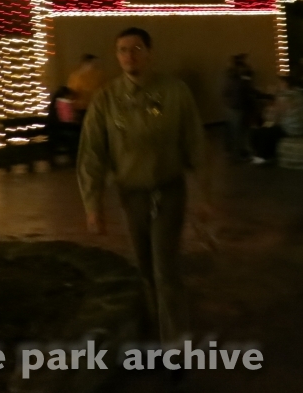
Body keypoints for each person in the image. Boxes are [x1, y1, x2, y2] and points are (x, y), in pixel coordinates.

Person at [77, 27, 210, 351]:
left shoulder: (174, 92)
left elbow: (194, 143)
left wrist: (203, 195)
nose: (129, 55)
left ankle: (176, 345)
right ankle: (155, 327)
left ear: (149, 53)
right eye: (122, 50)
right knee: (145, 267)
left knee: (165, 267)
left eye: (136, 48)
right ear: (116, 55)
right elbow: (92, 153)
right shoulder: (106, 100)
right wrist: (92, 205)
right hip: (130, 194)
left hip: (168, 190)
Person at [250, 76, 303, 163]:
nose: (279, 85)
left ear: (285, 84)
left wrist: (270, 105)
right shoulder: (299, 94)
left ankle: (262, 156)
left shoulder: (285, 96)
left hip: (290, 128)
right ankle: (265, 155)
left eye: (280, 83)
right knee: (267, 131)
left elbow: (275, 115)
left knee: (262, 132)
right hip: (300, 127)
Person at [221, 54, 255, 160]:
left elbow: (225, 92)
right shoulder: (241, 75)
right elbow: (247, 88)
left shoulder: (231, 75)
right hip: (239, 105)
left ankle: (234, 152)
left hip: (234, 105)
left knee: (234, 130)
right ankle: (238, 153)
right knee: (239, 130)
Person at [65, 54, 109, 122]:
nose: (93, 66)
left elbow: (104, 90)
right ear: (85, 63)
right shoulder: (76, 77)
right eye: (90, 63)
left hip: (96, 107)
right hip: (81, 108)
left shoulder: (98, 75)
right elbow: (71, 92)